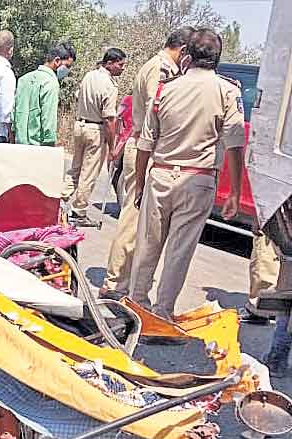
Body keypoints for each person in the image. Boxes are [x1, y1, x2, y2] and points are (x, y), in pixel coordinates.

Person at [129, 29, 245, 317]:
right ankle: (161, 313)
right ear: (217, 60)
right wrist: (235, 192)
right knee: (179, 253)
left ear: (187, 57)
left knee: (147, 246)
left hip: (160, 176)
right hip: (198, 180)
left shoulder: (165, 89)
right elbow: (234, 143)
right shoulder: (228, 91)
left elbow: (146, 143)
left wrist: (141, 183)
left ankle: (135, 306)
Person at [100, 29, 190, 300]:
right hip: (145, 148)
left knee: (140, 220)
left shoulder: (160, 66)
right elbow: (157, 110)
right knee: (134, 216)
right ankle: (116, 283)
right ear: (183, 49)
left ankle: (122, 281)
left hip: (146, 147)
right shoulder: (160, 69)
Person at [65, 47, 126, 227]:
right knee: (89, 173)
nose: (122, 69)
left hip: (80, 125)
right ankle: (79, 210)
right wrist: (112, 145)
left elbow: (78, 96)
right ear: (110, 63)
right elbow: (109, 119)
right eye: (120, 65)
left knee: (75, 168)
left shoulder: (89, 76)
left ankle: (60, 198)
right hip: (95, 129)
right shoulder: (110, 85)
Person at [13, 41, 75, 146]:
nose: (67, 70)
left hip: (19, 143)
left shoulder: (24, 79)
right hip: (38, 146)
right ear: (57, 61)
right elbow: (48, 117)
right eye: (67, 66)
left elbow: (14, 112)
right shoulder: (51, 82)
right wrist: (49, 142)